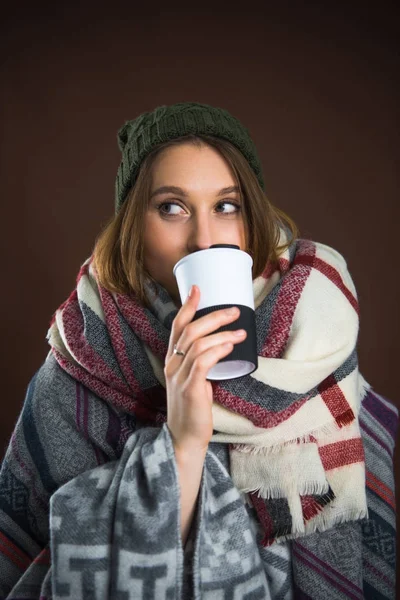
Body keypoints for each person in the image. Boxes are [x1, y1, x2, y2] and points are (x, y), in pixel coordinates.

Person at [0, 102, 397, 599]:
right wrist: (182, 447)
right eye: (171, 207)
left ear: (250, 222)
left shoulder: (314, 335)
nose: (204, 240)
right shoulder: (80, 364)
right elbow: (40, 567)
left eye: (225, 207)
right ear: (133, 229)